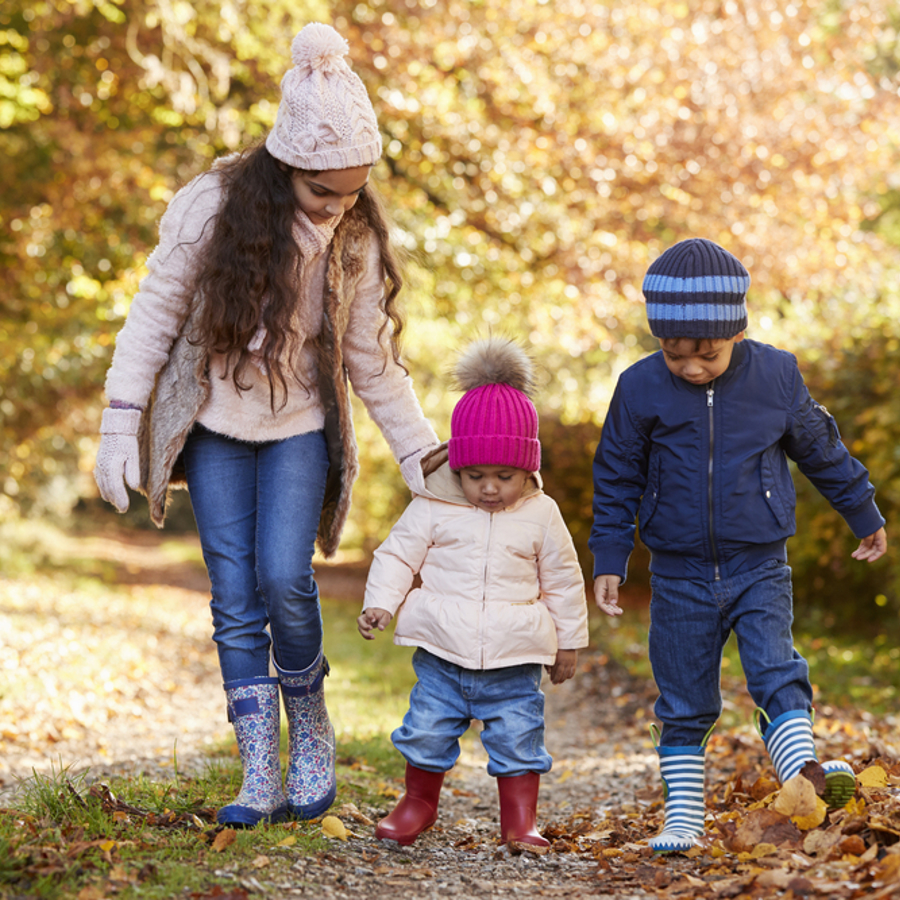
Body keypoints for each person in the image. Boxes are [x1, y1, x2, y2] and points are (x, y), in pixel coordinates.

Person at [92, 23, 439, 827]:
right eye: (323, 193)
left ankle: (309, 723)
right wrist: (120, 422)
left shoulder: (350, 238)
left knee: (284, 575)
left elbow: (372, 360)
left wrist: (421, 449)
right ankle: (257, 766)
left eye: (353, 193)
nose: (337, 208)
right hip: (217, 424)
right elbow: (152, 316)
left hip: (298, 426)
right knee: (233, 591)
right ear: (286, 169)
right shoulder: (212, 209)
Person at [589, 238, 888, 853]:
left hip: (760, 565)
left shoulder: (775, 376)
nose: (693, 367)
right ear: (659, 342)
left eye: (708, 354)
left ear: (737, 332)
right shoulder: (639, 387)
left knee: (778, 670)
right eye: (676, 356)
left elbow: (820, 449)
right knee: (684, 698)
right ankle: (684, 816)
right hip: (678, 575)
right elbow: (616, 476)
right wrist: (611, 559)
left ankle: (801, 778)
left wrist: (862, 511)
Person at [357, 337, 589, 851]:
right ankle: (417, 803)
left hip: (514, 660)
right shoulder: (433, 506)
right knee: (425, 731)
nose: (488, 488)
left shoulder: (540, 514)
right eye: (474, 475)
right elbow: (397, 555)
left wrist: (568, 642)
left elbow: (563, 578)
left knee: (518, 738)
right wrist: (381, 603)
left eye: (504, 476)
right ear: (456, 468)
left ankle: (520, 822)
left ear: (527, 469)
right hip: (442, 654)